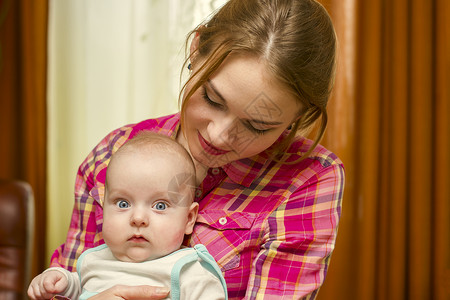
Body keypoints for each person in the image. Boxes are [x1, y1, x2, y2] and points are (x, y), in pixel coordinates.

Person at [48, 0, 345, 298]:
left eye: (257, 126)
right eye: (212, 99)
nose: (219, 135)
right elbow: (68, 282)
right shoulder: (111, 155)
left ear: (299, 117)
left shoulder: (309, 179)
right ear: (196, 48)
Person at [28, 132, 227, 300]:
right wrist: (60, 280)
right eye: (123, 203)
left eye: (159, 205)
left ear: (189, 219)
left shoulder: (190, 272)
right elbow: (80, 286)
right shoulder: (93, 260)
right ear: (104, 207)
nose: (138, 218)